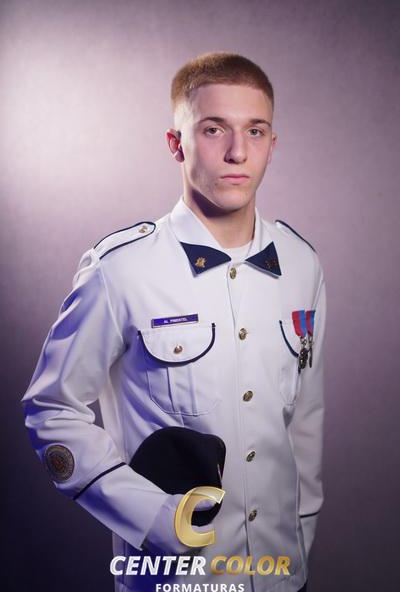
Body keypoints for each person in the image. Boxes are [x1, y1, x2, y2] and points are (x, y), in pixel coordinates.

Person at [21, 51, 326, 592]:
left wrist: (300, 542)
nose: (238, 152)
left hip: (282, 576)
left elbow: (303, 421)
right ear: (176, 143)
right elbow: (51, 409)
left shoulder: (302, 265)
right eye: (214, 129)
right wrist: (153, 518)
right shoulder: (121, 270)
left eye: (255, 131)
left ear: (272, 144)